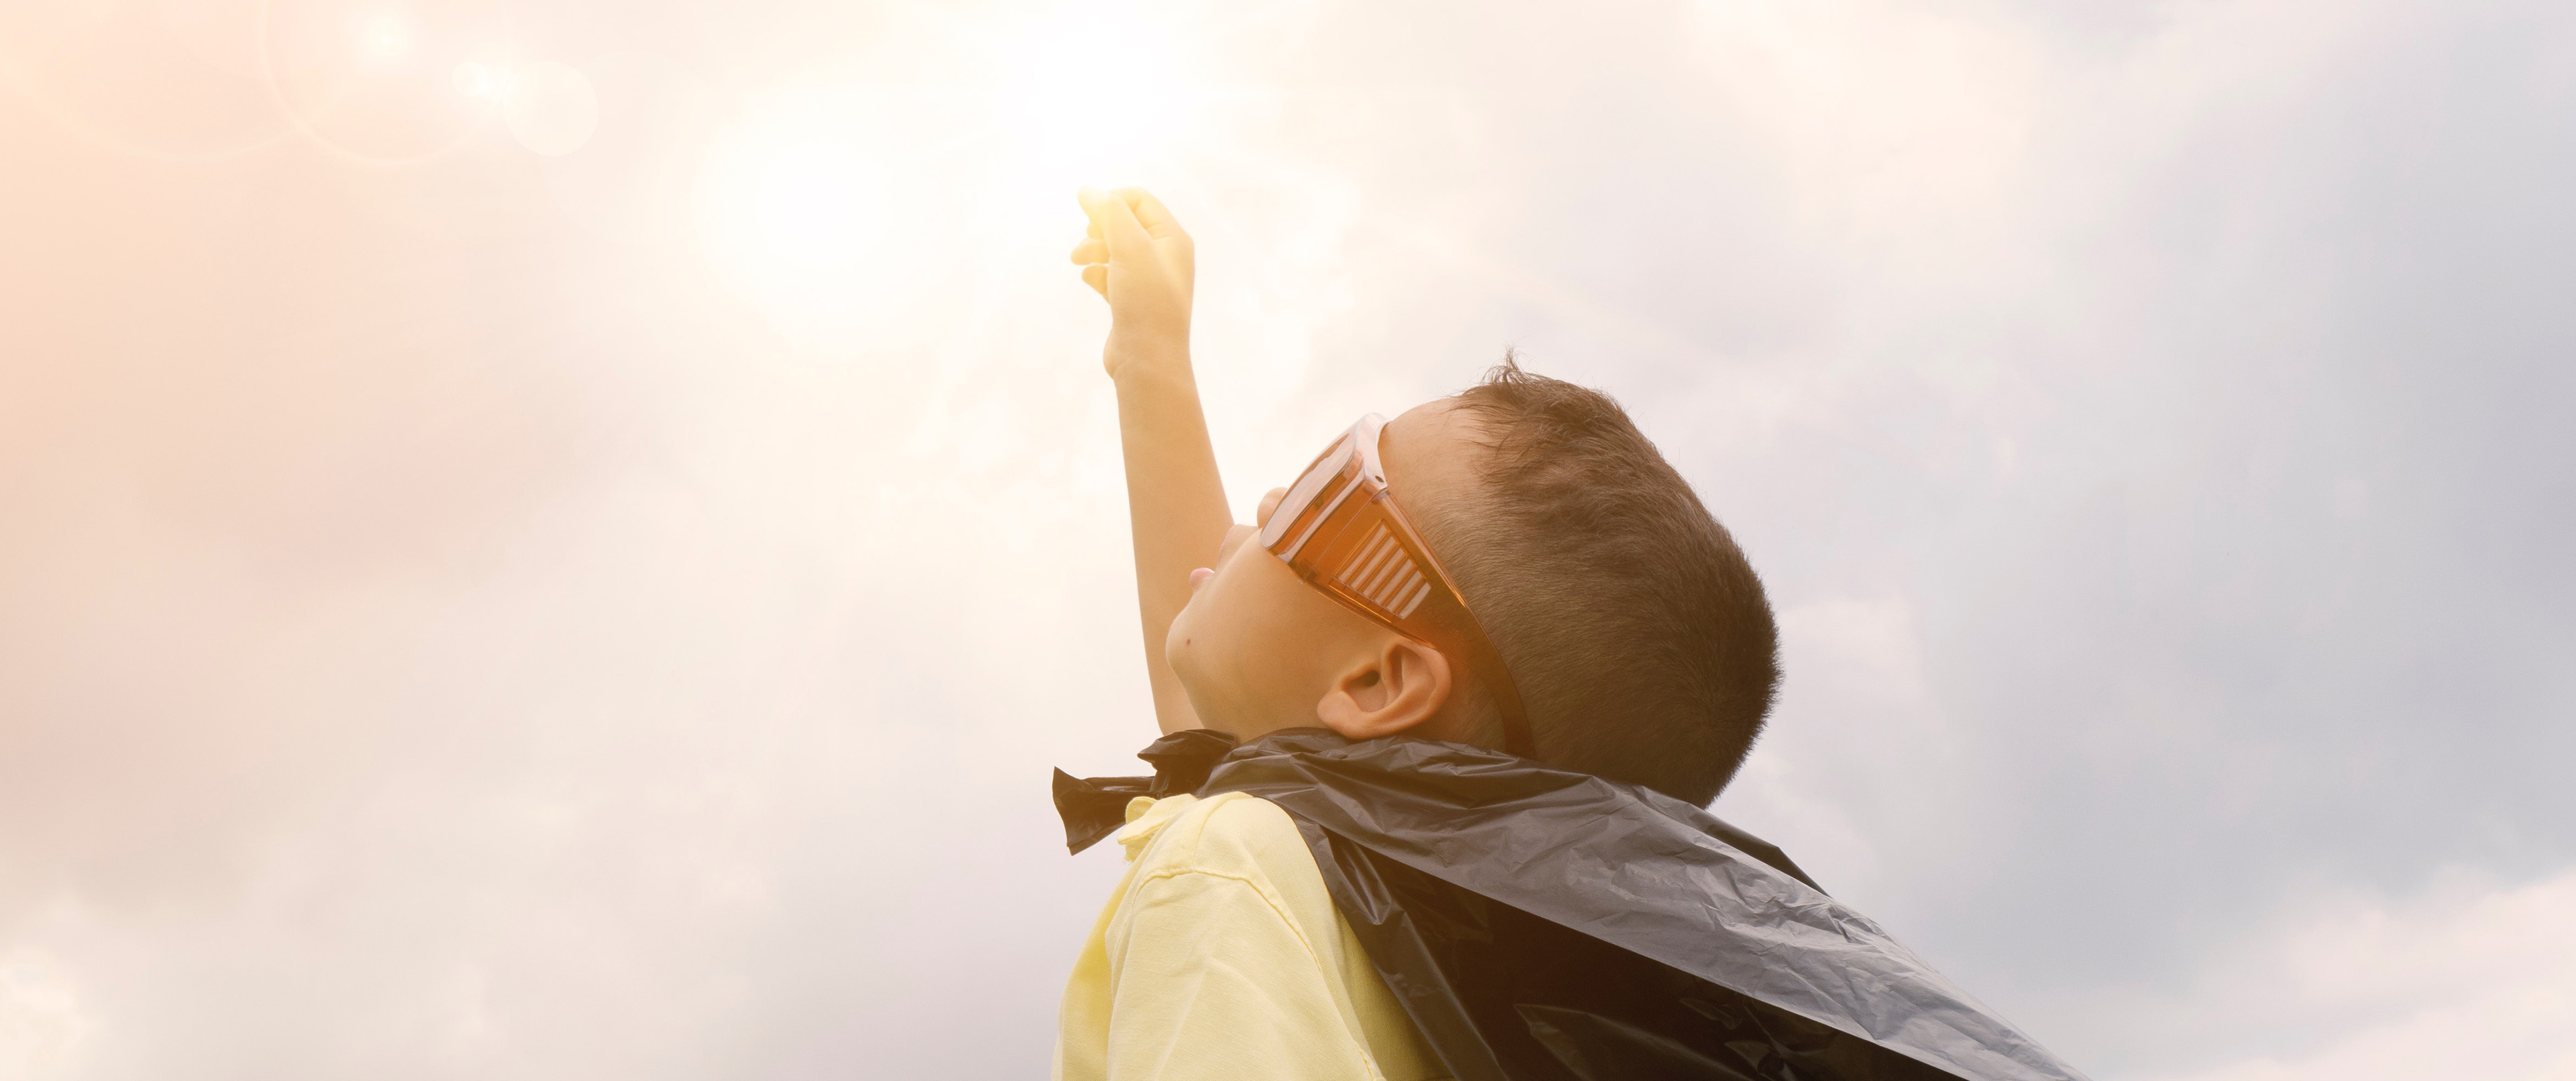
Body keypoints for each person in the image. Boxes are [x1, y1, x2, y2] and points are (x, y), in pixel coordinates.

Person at [1051, 188, 2080, 1081]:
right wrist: (1150, 352)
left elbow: (1229, 769)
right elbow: (1222, 721)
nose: (1273, 496)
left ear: (1374, 684)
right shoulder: (1433, 933)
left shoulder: (1230, 870)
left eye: (1328, 490)